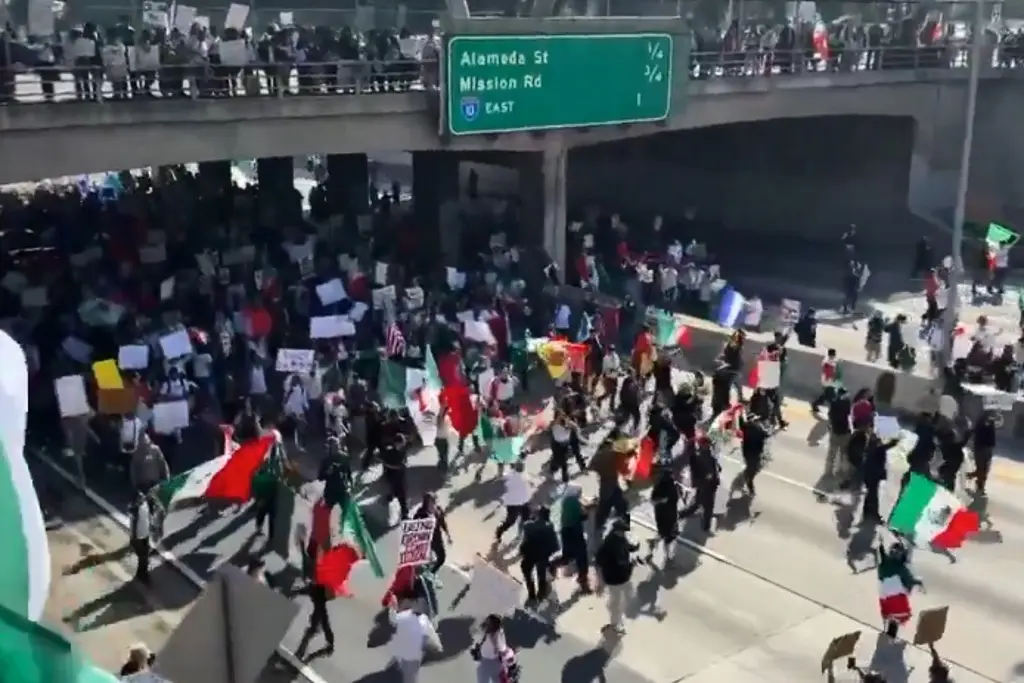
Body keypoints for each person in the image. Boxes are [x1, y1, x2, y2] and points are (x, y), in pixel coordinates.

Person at [595, 518, 638, 635]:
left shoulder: (619, 539)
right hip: (615, 578)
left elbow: (627, 546)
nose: (624, 534)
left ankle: (615, 617)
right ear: (617, 531)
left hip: (622, 577)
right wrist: (632, 564)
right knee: (616, 603)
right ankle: (615, 624)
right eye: (622, 531)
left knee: (625, 598)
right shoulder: (610, 544)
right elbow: (620, 562)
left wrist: (635, 547)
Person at [391, 600, 443, 682]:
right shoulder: (423, 620)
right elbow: (432, 634)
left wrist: (393, 608)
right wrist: (438, 646)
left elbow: (394, 619)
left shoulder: (406, 616)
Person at [519, 505, 559, 604]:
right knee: (541, 574)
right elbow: (555, 545)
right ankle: (541, 594)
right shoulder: (550, 527)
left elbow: (524, 537)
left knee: (526, 570)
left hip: (530, 554)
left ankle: (531, 592)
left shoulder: (528, 525)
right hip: (543, 555)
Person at [646, 463, 681, 566]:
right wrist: (662, 500)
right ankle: (667, 558)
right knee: (667, 537)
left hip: (671, 514)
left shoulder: (673, 485)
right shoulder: (660, 488)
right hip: (663, 516)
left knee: (666, 535)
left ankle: (654, 547)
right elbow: (652, 501)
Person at [472, 614, 518, 683]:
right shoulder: (491, 634)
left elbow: (501, 647)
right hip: (490, 662)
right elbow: (502, 648)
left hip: (490, 662)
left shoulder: (496, 633)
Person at [295, 579, 335, 659]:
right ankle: (303, 655)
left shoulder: (318, 591)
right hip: (320, 616)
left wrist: (297, 591)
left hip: (319, 617)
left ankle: (302, 655)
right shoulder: (319, 593)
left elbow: (309, 590)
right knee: (313, 631)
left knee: (312, 631)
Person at [414, 494, 452, 574]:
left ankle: (432, 572)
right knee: (427, 558)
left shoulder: (438, 510)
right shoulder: (421, 513)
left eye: (435, 502)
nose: (434, 505)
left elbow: (443, 523)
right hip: (426, 539)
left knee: (442, 558)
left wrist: (448, 535)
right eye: (432, 502)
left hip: (437, 538)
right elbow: (414, 526)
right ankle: (423, 572)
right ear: (427, 503)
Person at [494, 462, 531, 542]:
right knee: (511, 521)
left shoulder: (523, 475)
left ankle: (521, 534)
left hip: (523, 501)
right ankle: (499, 532)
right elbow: (501, 477)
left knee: (525, 517)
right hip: (513, 502)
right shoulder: (511, 475)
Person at [128, 491, 152, 584]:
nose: (142, 499)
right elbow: (133, 526)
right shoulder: (135, 510)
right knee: (143, 556)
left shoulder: (144, 504)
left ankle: (142, 573)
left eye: (142, 497)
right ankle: (142, 574)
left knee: (145, 555)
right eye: (140, 498)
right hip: (138, 537)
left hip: (145, 534)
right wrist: (133, 539)